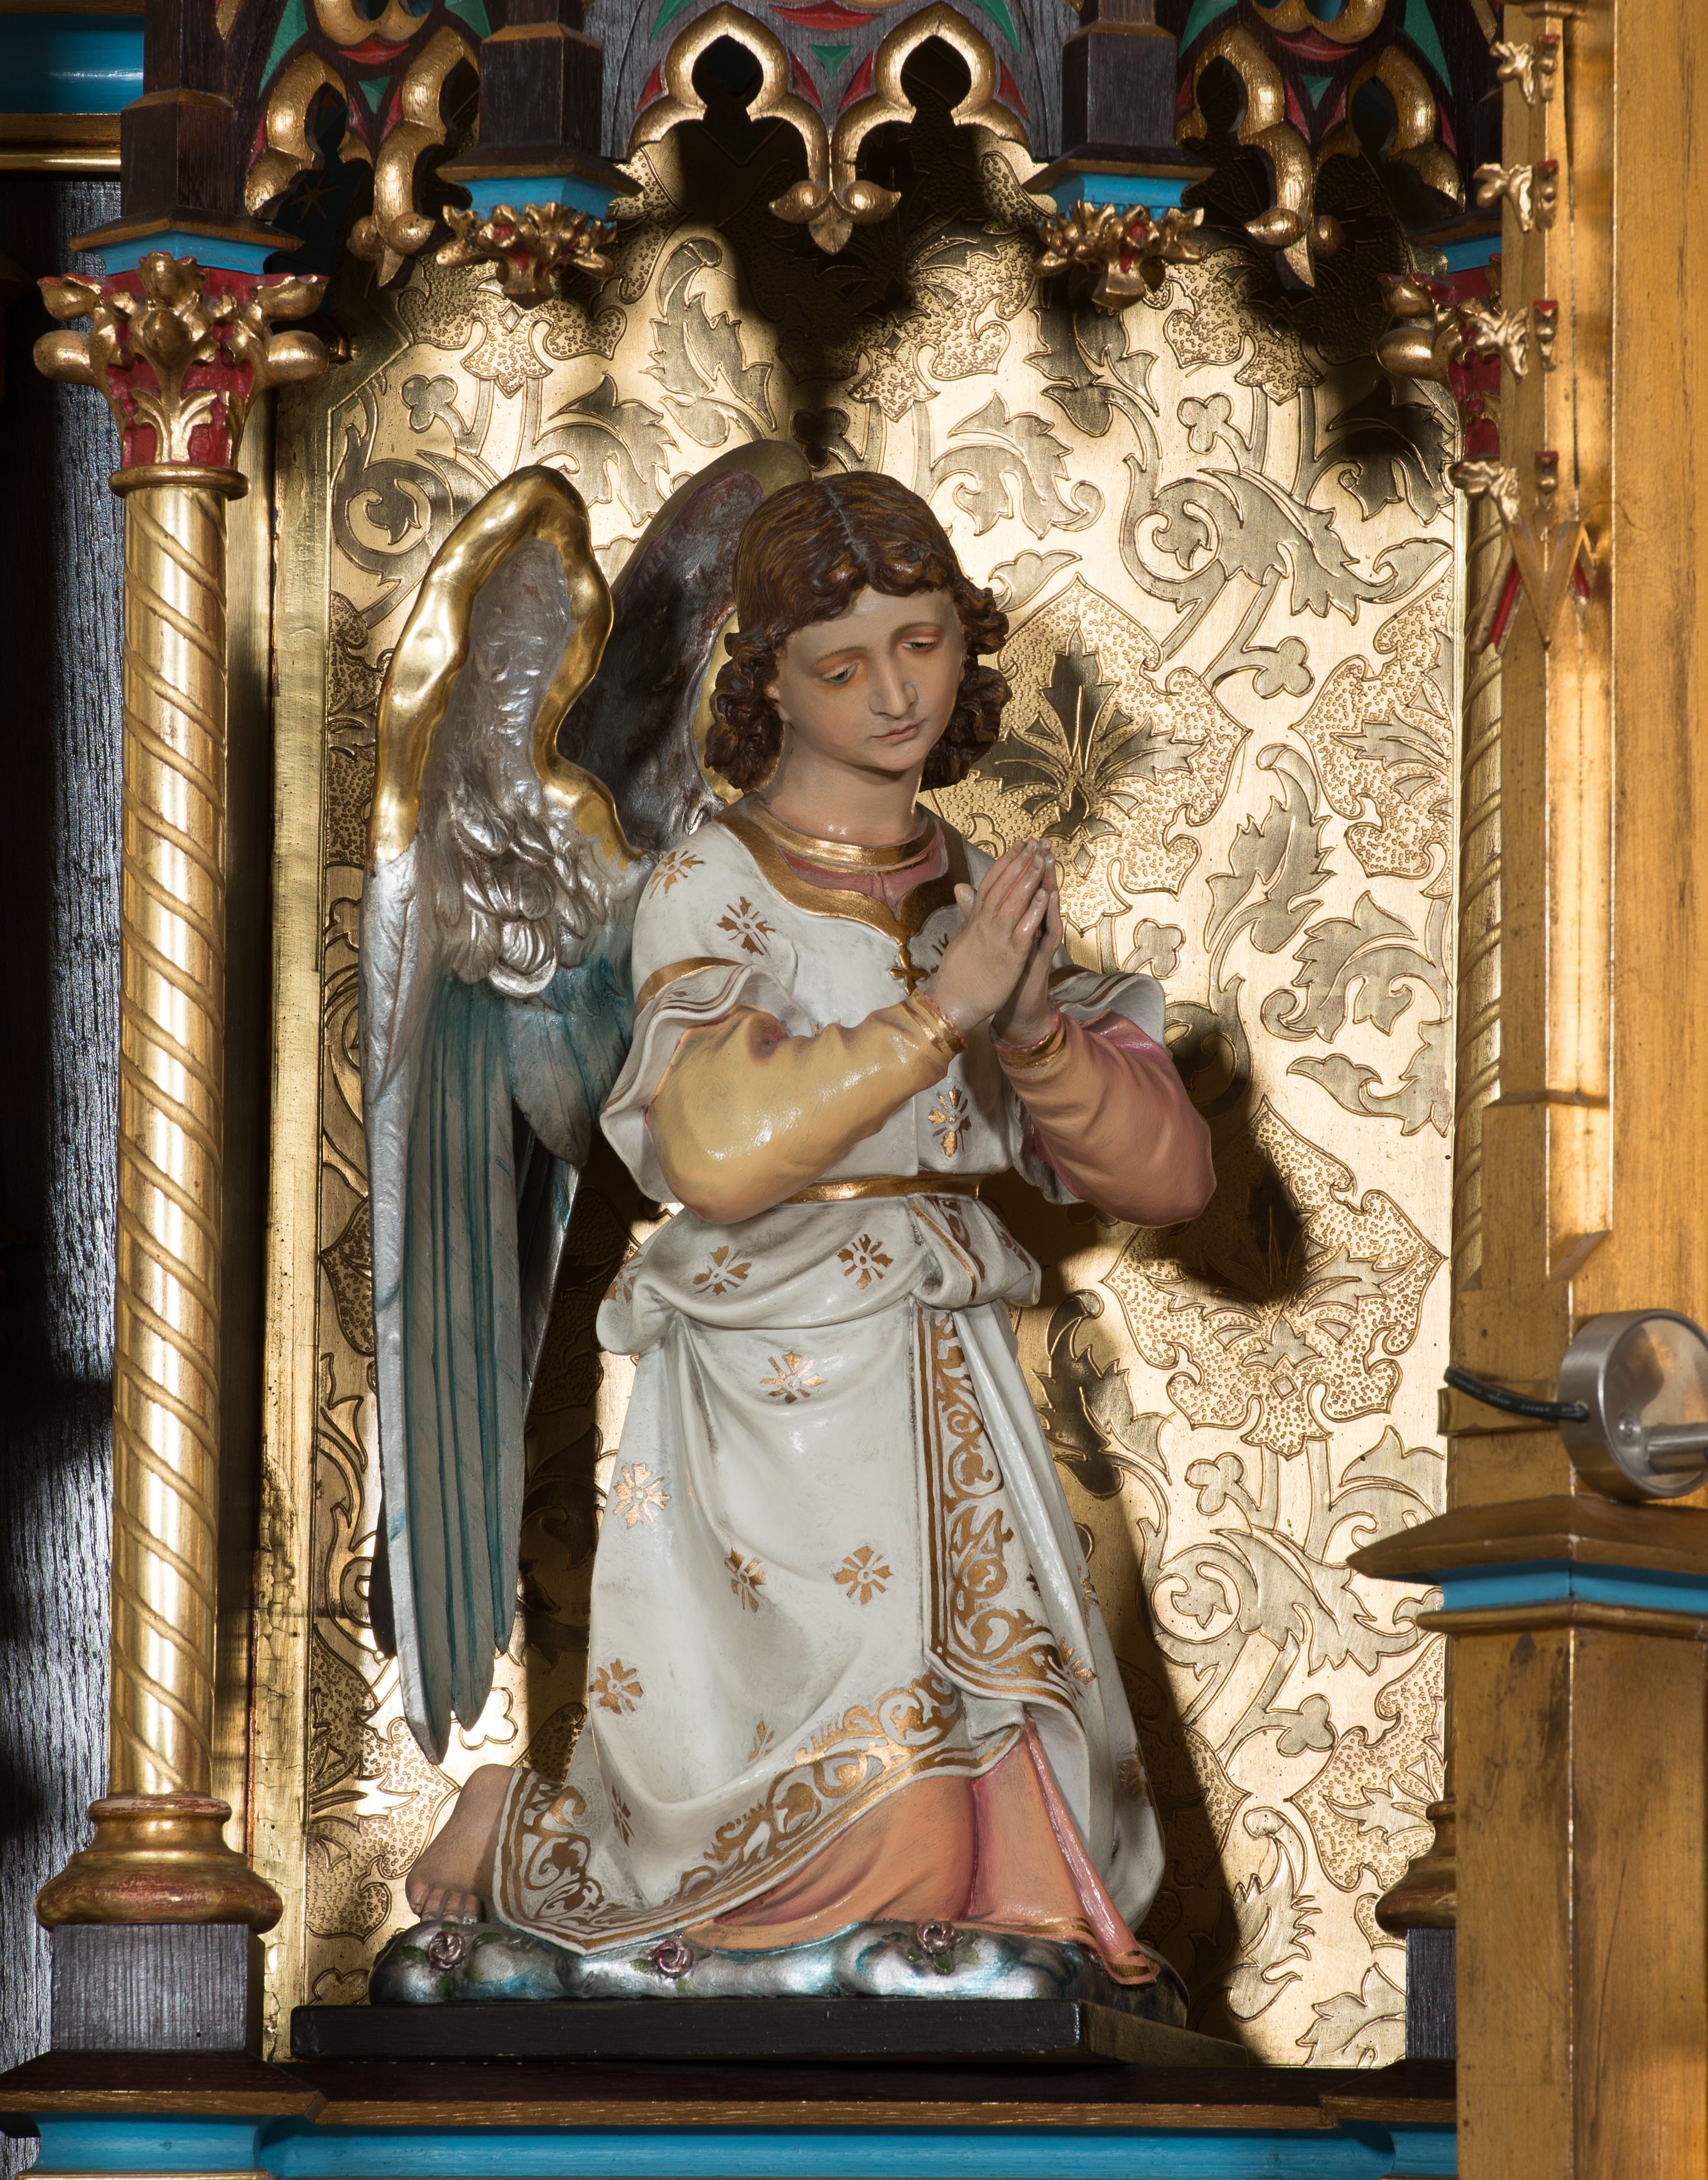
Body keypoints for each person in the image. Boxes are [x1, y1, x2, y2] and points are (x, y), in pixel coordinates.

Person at [404, 471, 1213, 1980]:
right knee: (860, 1825)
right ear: (766, 681)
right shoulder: (716, 881)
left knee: (1016, 1830)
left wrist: (1035, 1031)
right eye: (842, 666)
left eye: (922, 644)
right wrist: (944, 1012)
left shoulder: (971, 884)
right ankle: (525, 1828)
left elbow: (1167, 1180)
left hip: (944, 1365)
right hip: (774, 1378)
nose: (894, 695)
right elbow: (711, 1148)